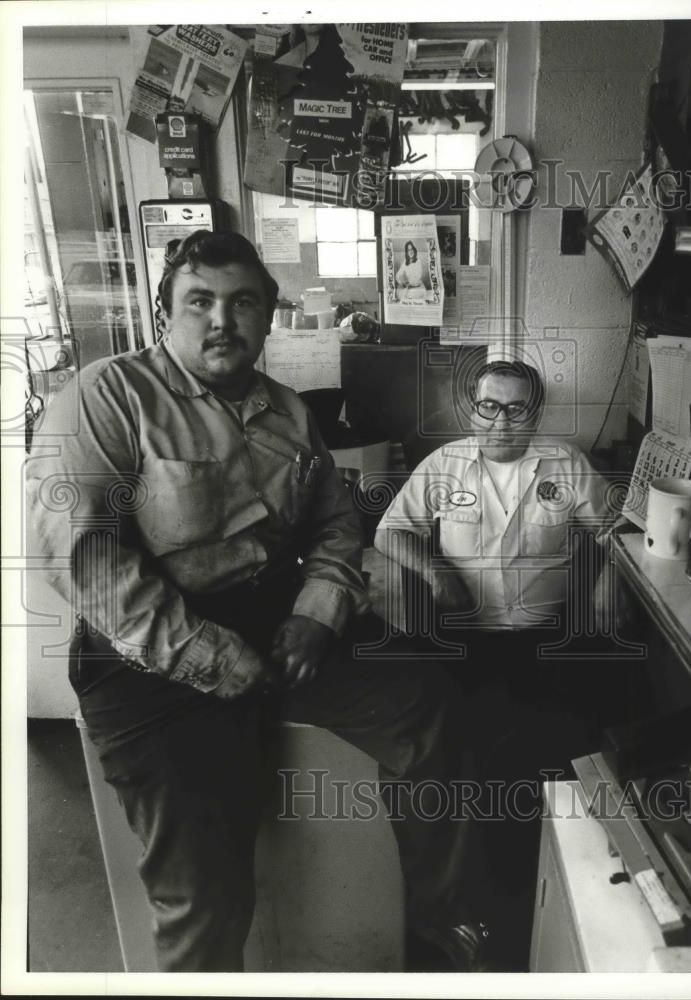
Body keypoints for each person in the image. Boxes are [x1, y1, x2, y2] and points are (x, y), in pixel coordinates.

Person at [27, 230, 488, 973]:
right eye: (200, 301)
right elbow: (81, 557)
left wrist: (317, 612)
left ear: (268, 316)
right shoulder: (107, 396)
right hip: (145, 650)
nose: (222, 320)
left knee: (429, 712)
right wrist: (211, 658)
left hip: (279, 622)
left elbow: (336, 525)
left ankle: (437, 928)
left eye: (243, 303)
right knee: (203, 884)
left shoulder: (287, 412)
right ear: (163, 313)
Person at [374, 358, 644, 957]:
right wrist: (435, 571)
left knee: (533, 767)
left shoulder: (565, 464)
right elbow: (390, 533)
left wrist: (609, 581)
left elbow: (617, 530)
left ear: (535, 413)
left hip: (541, 643)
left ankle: (518, 905)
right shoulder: (444, 465)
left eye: (517, 407)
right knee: (451, 764)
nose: (502, 420)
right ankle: (456, 907)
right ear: (473, 409)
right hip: (462, 640)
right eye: (490, 406)